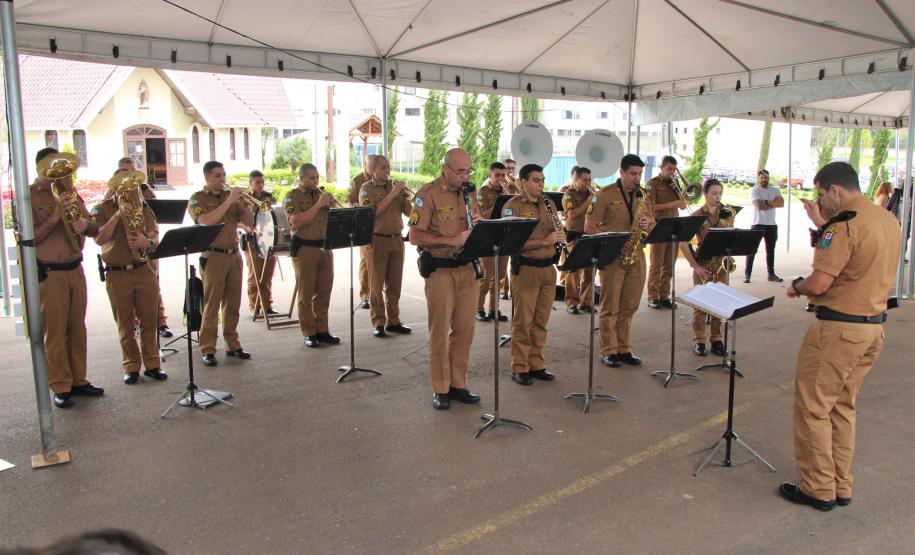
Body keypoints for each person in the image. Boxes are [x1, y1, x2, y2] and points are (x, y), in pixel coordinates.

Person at [780, 161, 901, 511]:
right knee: (842, 408)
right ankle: (840, 484)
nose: (821, 202)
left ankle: (818, 488)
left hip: (838, 331)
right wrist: (823, 224)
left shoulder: (843, 226)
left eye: (821, 194)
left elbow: (819, 282)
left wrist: (795, 285)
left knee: (814, 409)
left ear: (835, 190)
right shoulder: (885, 219)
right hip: (872, 328)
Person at [409, 148, 482, 410]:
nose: (465, 176)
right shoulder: (427, 194)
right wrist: (450, 240)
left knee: (465, 330)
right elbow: (415, 237)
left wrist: (480, 225)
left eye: (468, 171)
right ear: (446, 168)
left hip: (467, 269)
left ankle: (458, 384)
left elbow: (474, 223)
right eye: (460, 171)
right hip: (440, 270)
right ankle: (440, 388)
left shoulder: (470, 192)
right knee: (439, 331)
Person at [30, 148, 104, 408]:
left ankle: (79, 380)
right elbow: (33, 237)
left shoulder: (69, 192)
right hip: (51, 273)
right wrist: (57, 214)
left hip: (75, 268)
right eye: (54, 169)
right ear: (41, 168)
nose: (60, 175)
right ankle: (60, 385)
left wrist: (86, 225)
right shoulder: (30, 195)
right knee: (56, 331)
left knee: (77, 328)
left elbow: (95, 229)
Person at [92, 172, 167, 384]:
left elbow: (155, 236)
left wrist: (147, 243)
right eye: (125, 187)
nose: (130, 191)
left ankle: (153, 364)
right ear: (115, 188)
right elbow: (99, 238)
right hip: (117, 272)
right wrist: (117, 216)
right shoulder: (103, 208)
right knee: (125, 323)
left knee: (149, 320)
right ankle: (131, 365)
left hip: (143, 269)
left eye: (133, 187)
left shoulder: (143, 207)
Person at [585, 154, 656, 368]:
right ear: (622, 172)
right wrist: (616, 241)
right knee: (611, 305)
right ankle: (609, 350)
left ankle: (624, 348)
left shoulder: (644, 196)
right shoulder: (604, 195)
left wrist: (650, 222)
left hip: (636, 254)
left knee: (630, 304)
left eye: (640, 174)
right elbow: (589, 227)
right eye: (633, 173)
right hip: (613, 257)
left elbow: (652, 225)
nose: (637, 178)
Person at [503, 164, 565, 385]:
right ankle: (520, 366)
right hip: (526, 269)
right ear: (523, 182)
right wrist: (545, 241)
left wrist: (559, 233)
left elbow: (554, 232)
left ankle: (537, 363)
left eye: (542, 180)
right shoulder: (513, 207)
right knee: (523, 321)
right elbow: (511, 244)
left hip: (548, 269)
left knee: (541, 320)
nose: (541, 184)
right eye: (536, 180)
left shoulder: (547, 203)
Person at [187, 161, 253, 366]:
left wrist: (245, 204)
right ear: (207, 177)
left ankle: (233, 344)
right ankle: (207, 348)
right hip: (213, 256)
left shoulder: (231, 198)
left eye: (223, 174)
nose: (222, 179)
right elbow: (205, 221)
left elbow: (249, 223)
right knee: (211, 304)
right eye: (217, 175)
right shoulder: (197, 198)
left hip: (234, 254)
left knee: (232, 303)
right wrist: (229, 201)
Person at [284, 163, 341, 348]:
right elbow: (297, 221)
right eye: (311, 178)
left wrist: (331, 206)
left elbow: (335, 218)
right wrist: (319, 205)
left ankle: (322, 329)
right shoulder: (291, 196)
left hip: (325, 247)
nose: (315, 181)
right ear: (301, 178)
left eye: (317, 177)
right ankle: (308, 331)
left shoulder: (320, 194)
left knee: (324, 291)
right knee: (306, 292)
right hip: (305, 248)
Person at [117, 157, 172, 337]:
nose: (130, 176)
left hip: (147, 249)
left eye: (133, 171)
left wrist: (144, 190)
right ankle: (134, 324)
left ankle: (161, 321)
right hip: (124, 256)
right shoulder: (113, 194)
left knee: (154, 286)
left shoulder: (144, 192)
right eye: (126, 171)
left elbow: (155, 212)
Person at [359, 155, 412, 337]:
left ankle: (394, 320)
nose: (387, 171)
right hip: (377, 240)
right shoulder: (366, 189)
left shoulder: (394, 187)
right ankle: (379, 321)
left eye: (388, 167)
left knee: (395, 284)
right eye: (383, 168)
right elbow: (371, 213)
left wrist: (405, 196)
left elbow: (409, 212)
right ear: (373, 170)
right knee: (376, 284)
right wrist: (392, 194)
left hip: (396, 239)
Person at [678, 179, 731, 357]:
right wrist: (695, 267)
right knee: (700, 304)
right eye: (714, 193)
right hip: (704, 264)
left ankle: (716, 339)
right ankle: (699, 340)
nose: (718, 197)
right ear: (706, 194)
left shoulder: (726, 213)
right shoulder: (697, 215)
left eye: (720, 193)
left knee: (719, 303)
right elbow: (683, 243)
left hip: (721, 264)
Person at [646, 156, 687, 308]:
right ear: (661, 167)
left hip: (674, 225)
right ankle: (653, 296)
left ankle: (664, 295)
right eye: (669, 169)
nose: (672, 172)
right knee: (656, 264)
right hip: (659, 226)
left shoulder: (674, 184)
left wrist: (680, 203)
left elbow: (680, 203)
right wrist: (673, 203)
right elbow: (650, 207)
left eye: (674, 170)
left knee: (670, 264)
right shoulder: (652, 184)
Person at [475, 162, 510, 322]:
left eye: (503, 175)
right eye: (498, 175)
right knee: (486, 276)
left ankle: (494, 309)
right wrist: (500, 202)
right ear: (490, 175)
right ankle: (478, 308)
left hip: (504, 236)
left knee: (499, 276)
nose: (501, 178)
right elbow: (482, 215)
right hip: (488, 237)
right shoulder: (482, 191)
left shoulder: (509, 190)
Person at [243, 170, 278, 317]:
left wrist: (271, 204)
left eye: (262, 182)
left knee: (268, 274)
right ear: (251, 183)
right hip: (252, 239)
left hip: (267, 237)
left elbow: (273, 211)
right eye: (257, 182)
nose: (261, 185)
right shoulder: (245, 198)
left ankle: (267, 305)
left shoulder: (267, 196)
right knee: (255, 275)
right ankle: (254, 306)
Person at [561, 166, 596, 314]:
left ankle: (586, 301)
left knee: (590, 270)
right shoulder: (568, 194)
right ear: (576, 180)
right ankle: (571, 303)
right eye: (585, 180)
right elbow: (572, 214)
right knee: (572, 271)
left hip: (589, 235)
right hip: (574, 235)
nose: (588, 183)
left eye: (590, 180)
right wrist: (588, 202)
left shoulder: (593, 194)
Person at [349, 154, 378, 309]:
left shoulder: (383, 181)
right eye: (371, 167)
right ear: (365, 165)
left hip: (380, 225)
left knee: (377, 262)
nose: (373, 170)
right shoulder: (357, 181)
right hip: (363, 224)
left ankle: (376, 292)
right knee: (365, 261)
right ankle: (365, 294)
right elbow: (349, 202)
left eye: (375, 167)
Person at [745, 169, 784, 282]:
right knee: (751, 250)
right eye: (761, 177)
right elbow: (758, 206)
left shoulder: (775, 190)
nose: (764, 179)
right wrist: (772, 203)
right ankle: (747, 275)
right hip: (757, 224)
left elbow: (781, 204)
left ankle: (771, 274)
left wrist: (765, 202)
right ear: (758, 178)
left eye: (765, 177)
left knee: (770, 251)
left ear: (769, 178)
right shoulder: (754, 190)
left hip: (771, 225)